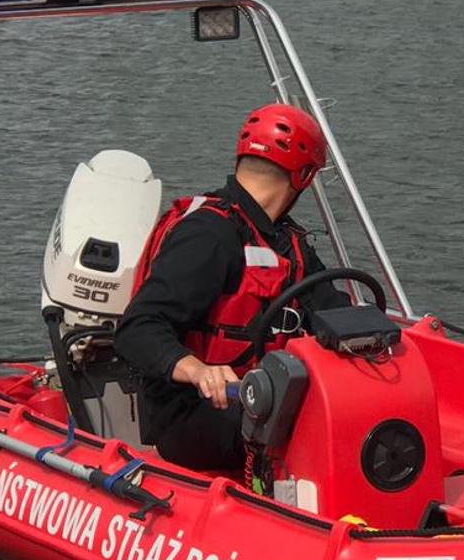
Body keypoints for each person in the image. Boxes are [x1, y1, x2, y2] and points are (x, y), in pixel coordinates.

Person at [114, 104, 349, 471]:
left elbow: (333, 311)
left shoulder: (288, 243)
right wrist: (197, 370)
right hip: (195, 411)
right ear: (304, 175)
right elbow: (137, 328)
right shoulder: (209, 234)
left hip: (266, 398)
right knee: (310, 433)